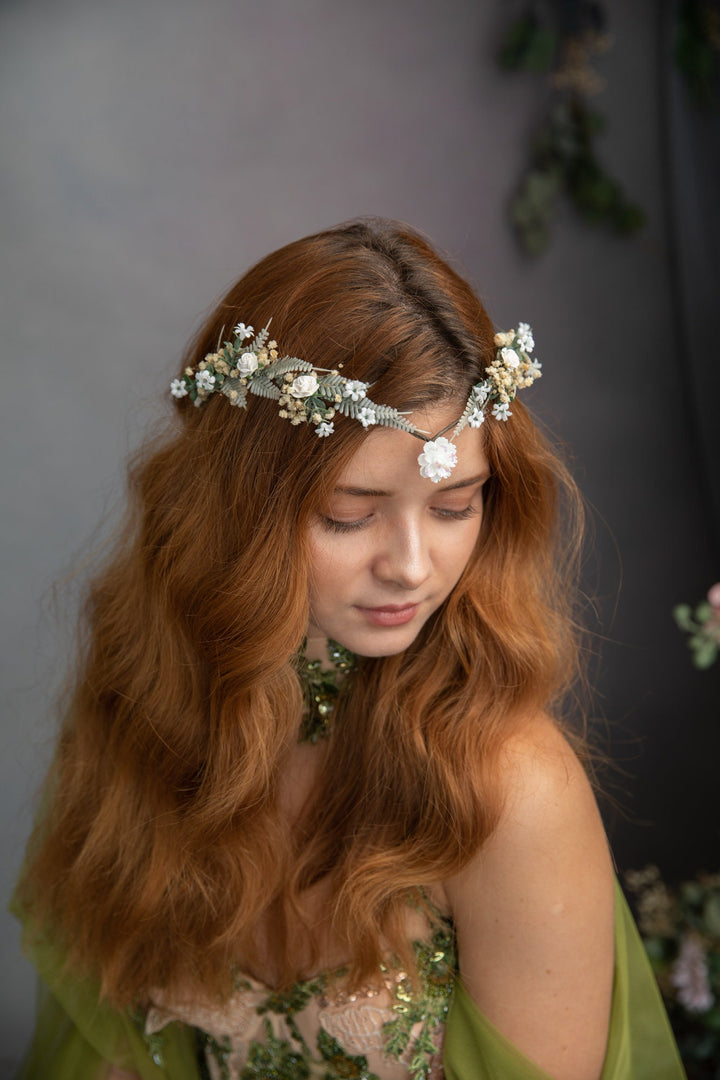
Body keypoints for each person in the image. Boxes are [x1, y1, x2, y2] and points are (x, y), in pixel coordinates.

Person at [12, 219, 684, 1080]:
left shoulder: (510, 791)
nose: (412, 565)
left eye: (455, 506)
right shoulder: (144, 714)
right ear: (238, 507)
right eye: (348, 514)